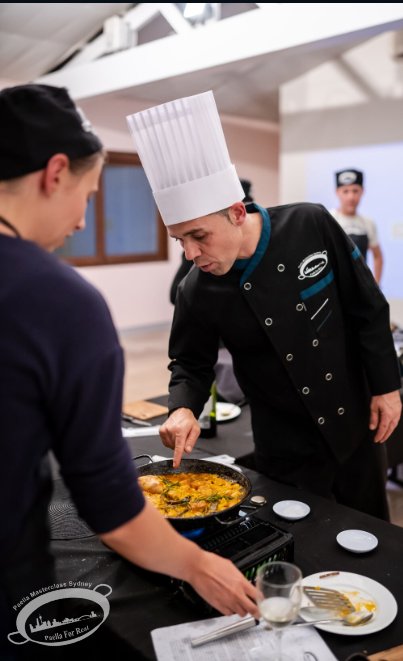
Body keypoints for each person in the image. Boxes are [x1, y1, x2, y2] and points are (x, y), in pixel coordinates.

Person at [0, 84, 258, 657]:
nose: (81, 220)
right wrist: (199, 565)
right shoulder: (59, 302)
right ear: (56, 173)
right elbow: (109, 503)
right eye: (88, 195)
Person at [127, 90, 402, 521]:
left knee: (371, 531)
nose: (191, 253)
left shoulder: (310, 224)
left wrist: (387, 387)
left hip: (353, 418)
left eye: (199, 236)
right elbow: (190, 362)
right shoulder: (196, 289)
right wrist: (182, 408)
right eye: (180, 240)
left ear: (237, 212)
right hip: (283, 442)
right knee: (301, 537)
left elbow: (367, 307)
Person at [330, 169, 383, 284]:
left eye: (355, 191)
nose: (351, 197)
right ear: (337, 192)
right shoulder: (328, 220)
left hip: (361, 286)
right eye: (345, 191)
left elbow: (378, 256)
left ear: (362, 192)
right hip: (335, 287)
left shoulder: (368, 223)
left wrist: (376, 286)